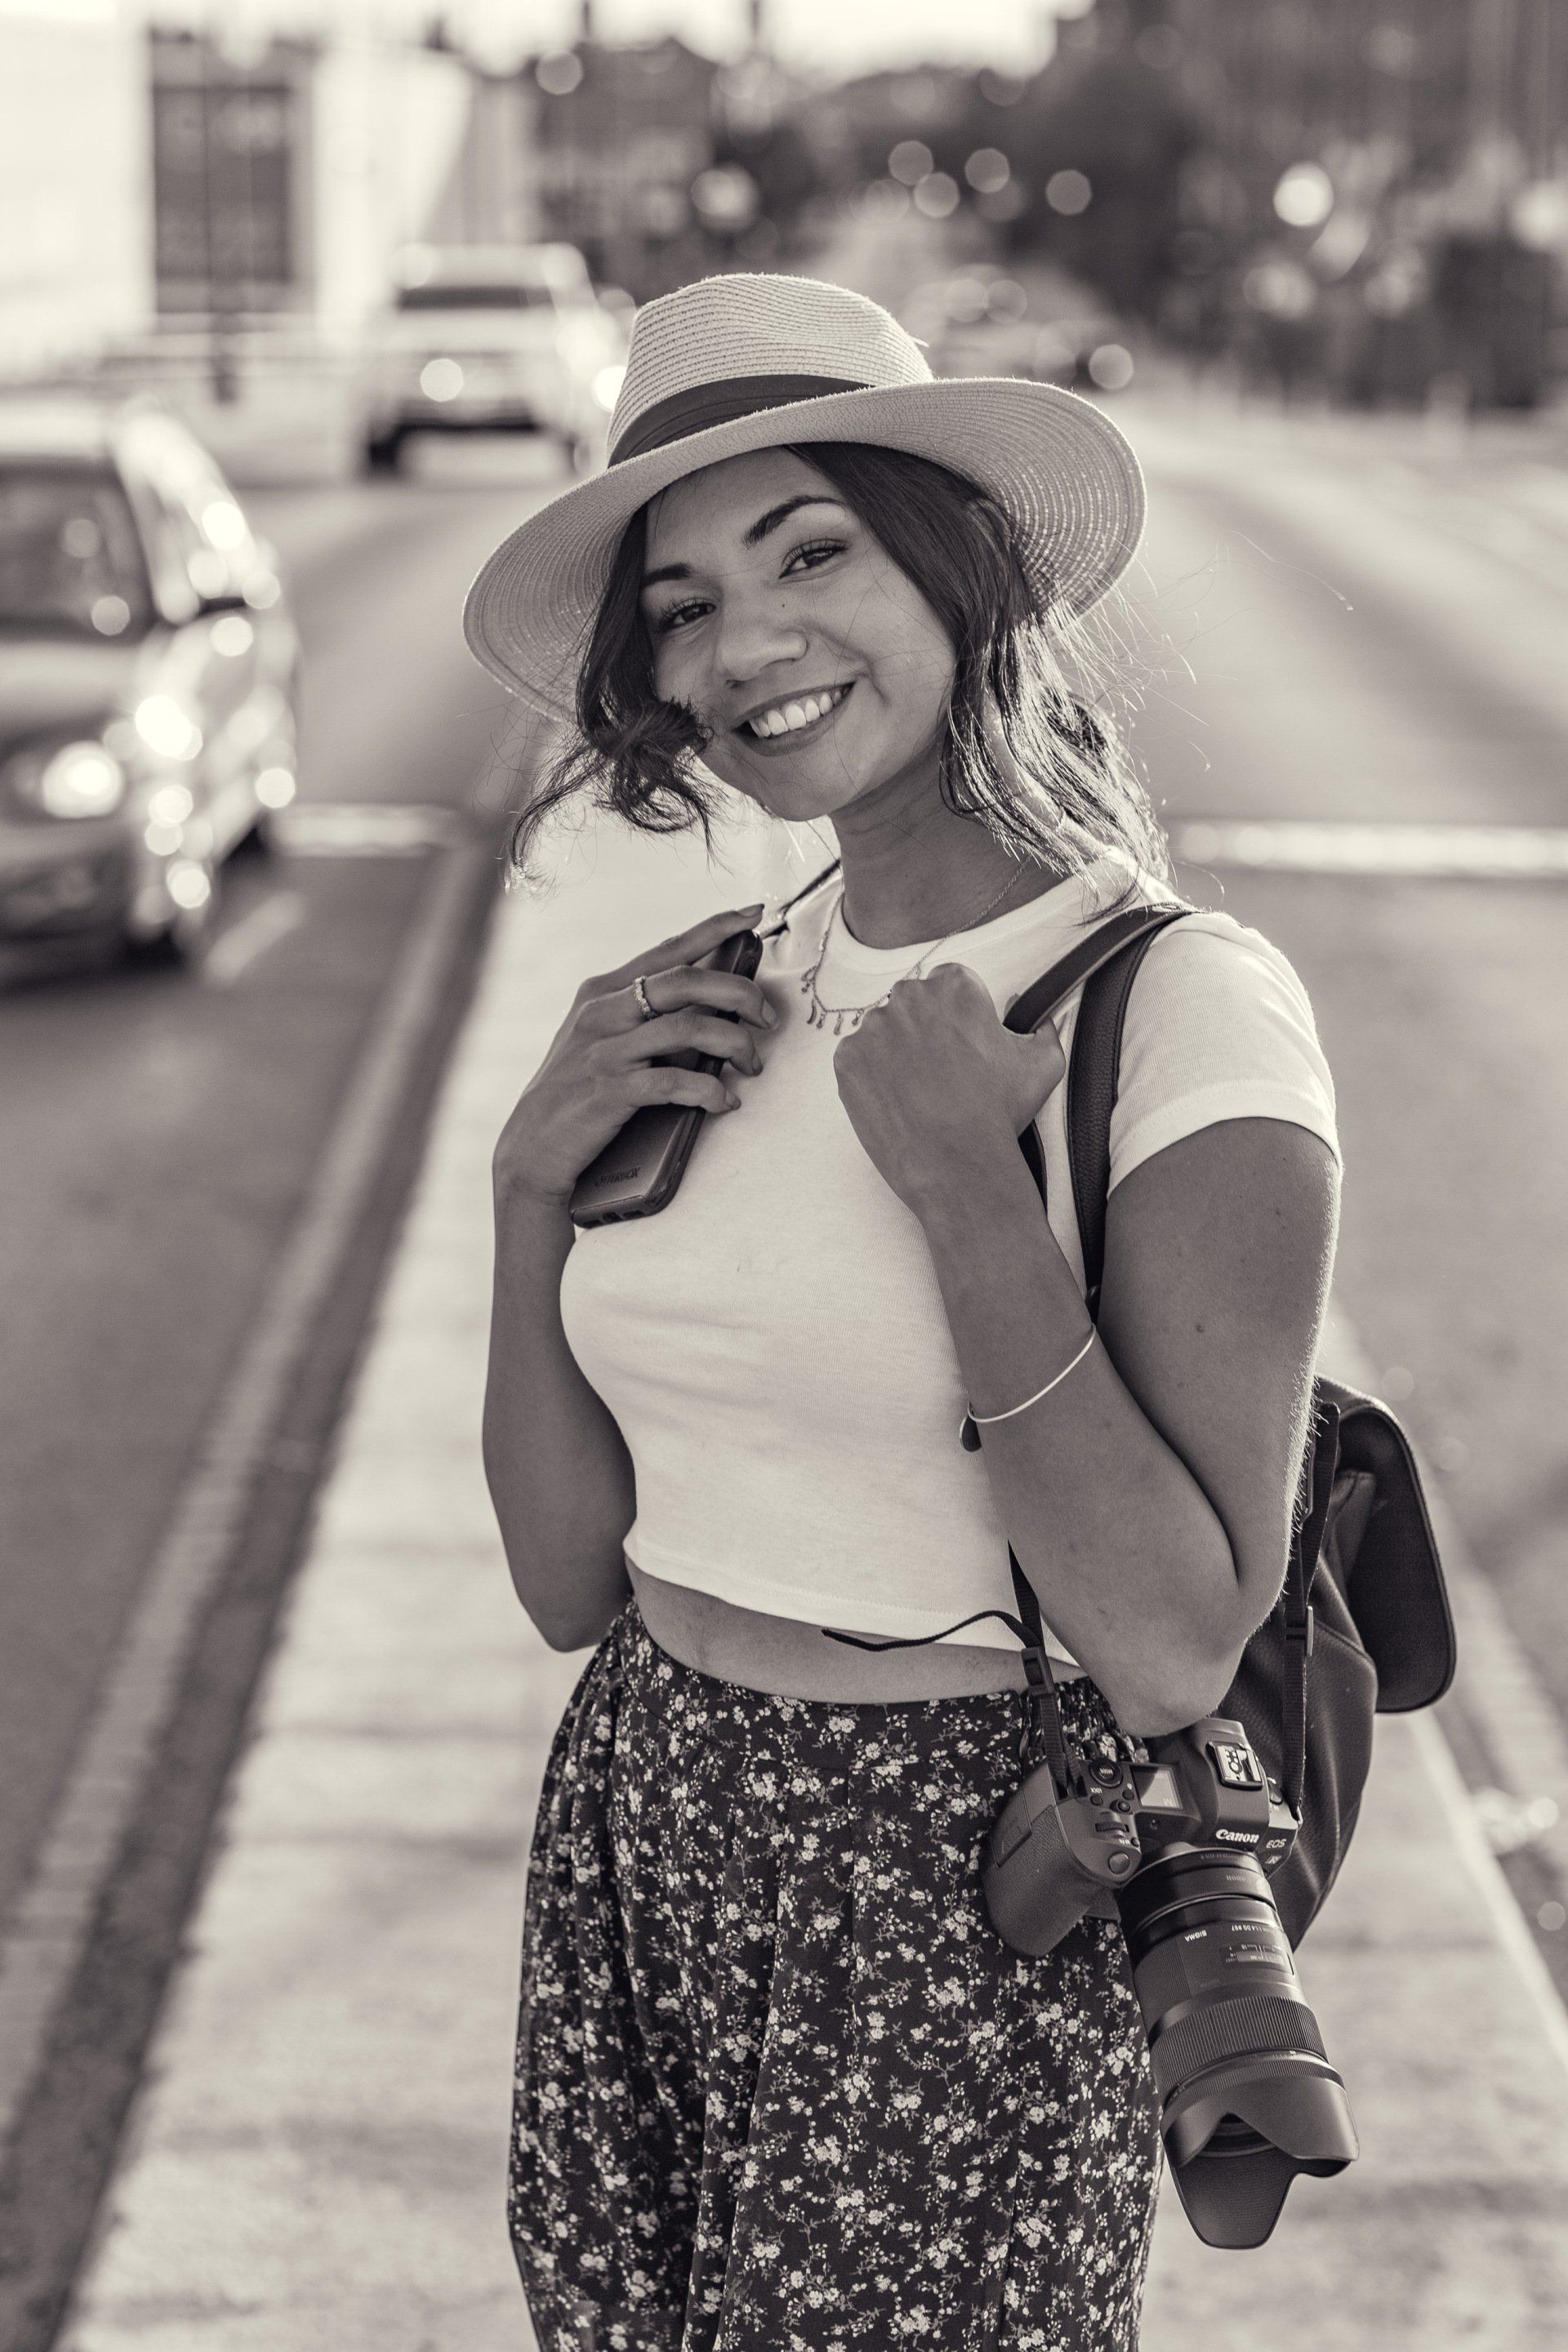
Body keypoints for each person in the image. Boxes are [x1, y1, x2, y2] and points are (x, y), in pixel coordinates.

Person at [466, 274, 1341, 2352]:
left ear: (955, 566)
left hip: (956, 1886)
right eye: (678, 606)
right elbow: (571, 1581)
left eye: (812, 551)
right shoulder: (721, 989)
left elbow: (1167, 1635)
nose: (743, 645)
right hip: (645, 1821)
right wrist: (524, 1190)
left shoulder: (1180, 1011)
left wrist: (965, 1187)